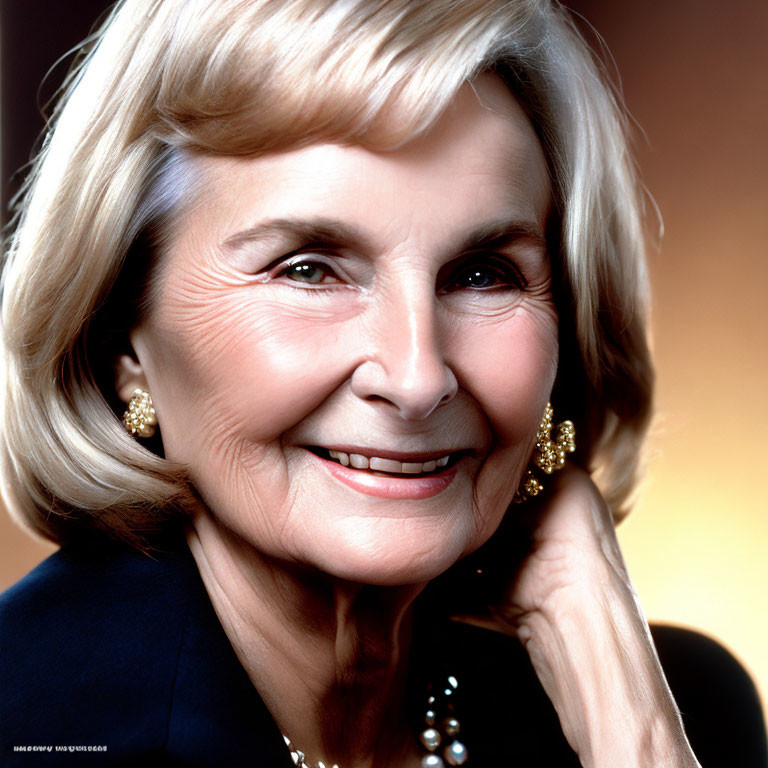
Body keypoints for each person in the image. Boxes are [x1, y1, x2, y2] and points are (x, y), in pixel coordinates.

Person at [0, 0, 765, 766]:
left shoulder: (684, 709)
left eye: (481, 274)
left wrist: (620, 709)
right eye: (308, 269)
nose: (417, 378)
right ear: (119, 335)